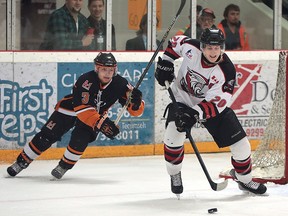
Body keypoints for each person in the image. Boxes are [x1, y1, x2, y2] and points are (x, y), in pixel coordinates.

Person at [154, 27, 267, 196]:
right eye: (209, 48)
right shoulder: (191, 47)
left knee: (242, 146)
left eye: (217, 48)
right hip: (183, 100)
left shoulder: (226, 70)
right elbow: (175, 43)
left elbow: (217, 103)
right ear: (202, 46)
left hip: (211, 107)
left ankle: (244, 179)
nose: (213, 52)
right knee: (172, 137)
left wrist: (194, 114)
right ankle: (174, 173)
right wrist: (167, 62)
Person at [7, 52, 145, 179]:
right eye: (104, 69)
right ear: (97, 69)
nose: (108, 73)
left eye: (111, 70)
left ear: (115, 70)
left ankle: (63, 166)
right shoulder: (86, 80)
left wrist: (136, 103)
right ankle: (21, 162)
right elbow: (83, 110)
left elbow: (136, 112)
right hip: (70, 110)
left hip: (95, 117)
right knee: (46, 136)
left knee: (80, 141)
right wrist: (101, 123)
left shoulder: (121, 84)